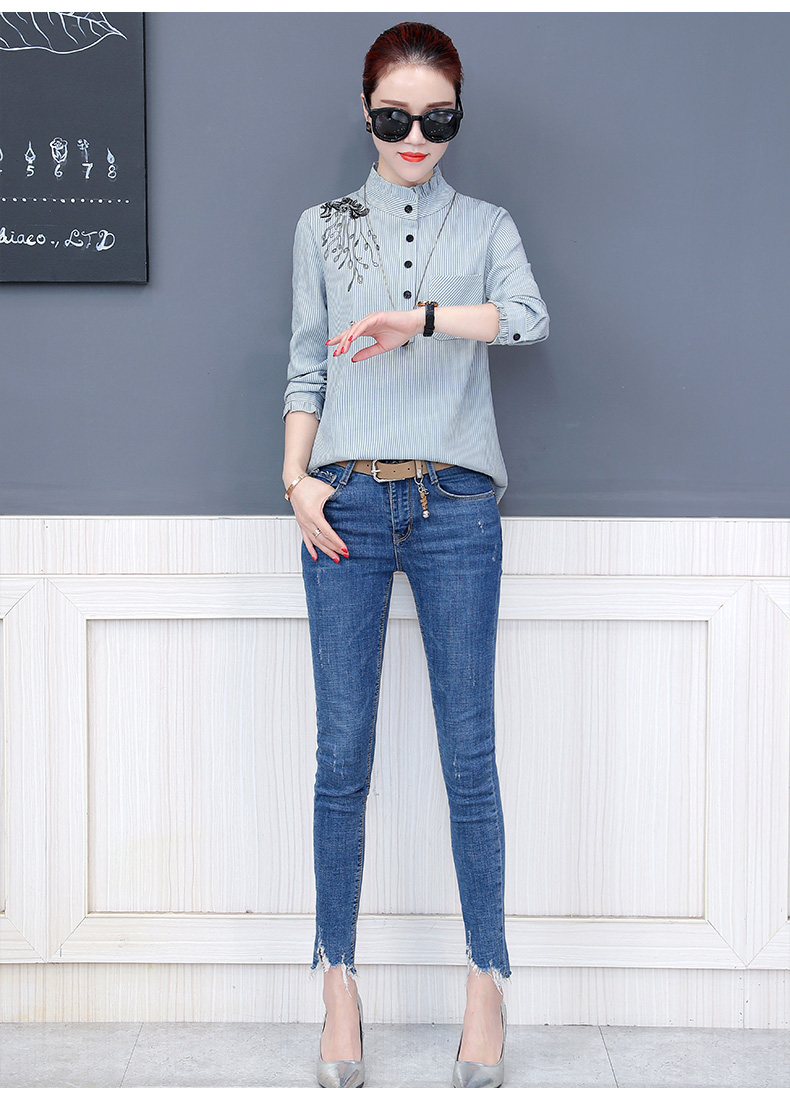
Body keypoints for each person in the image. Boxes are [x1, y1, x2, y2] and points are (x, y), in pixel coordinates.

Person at [282, 21, 548, 1088]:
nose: (415, 137)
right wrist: (295, 480)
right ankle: (338, 981)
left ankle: (486, 982)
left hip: (455, 506)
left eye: (438, 118)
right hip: (341, 501)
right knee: (341, 754)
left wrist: (422, 320)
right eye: (395, 116)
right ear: (365, 111)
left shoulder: (486, 225)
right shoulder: (322, 227)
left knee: (467, 755)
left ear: (456, 117)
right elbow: (305, 366)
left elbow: (528, 319)